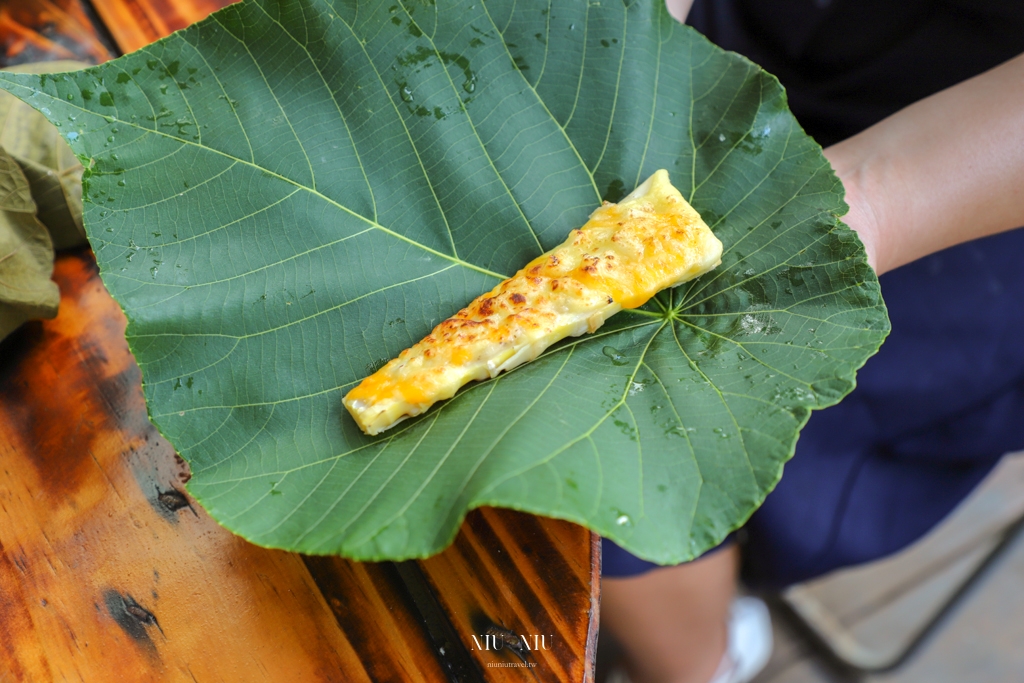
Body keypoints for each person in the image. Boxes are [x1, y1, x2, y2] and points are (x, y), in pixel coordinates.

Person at [600, 1, 1024, 682]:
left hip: (986, 176)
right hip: (791, 24)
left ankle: (699, 663)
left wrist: (858, 208)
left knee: (648, 438)